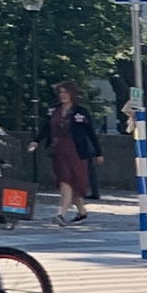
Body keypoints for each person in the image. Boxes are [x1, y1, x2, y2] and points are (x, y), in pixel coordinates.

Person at [38, 82, 101, 225]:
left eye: (65, 92)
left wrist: (98, 152)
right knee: (66, 182)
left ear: (72, 94)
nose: (62, 95)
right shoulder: (53, 110)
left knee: (68, 182)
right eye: (60, 92)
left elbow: (90, 133)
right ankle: (82, 211)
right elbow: (45, 128)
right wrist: (36, 141)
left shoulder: (80, 111)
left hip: (76, 151)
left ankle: (60, 214)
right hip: (58, 151)